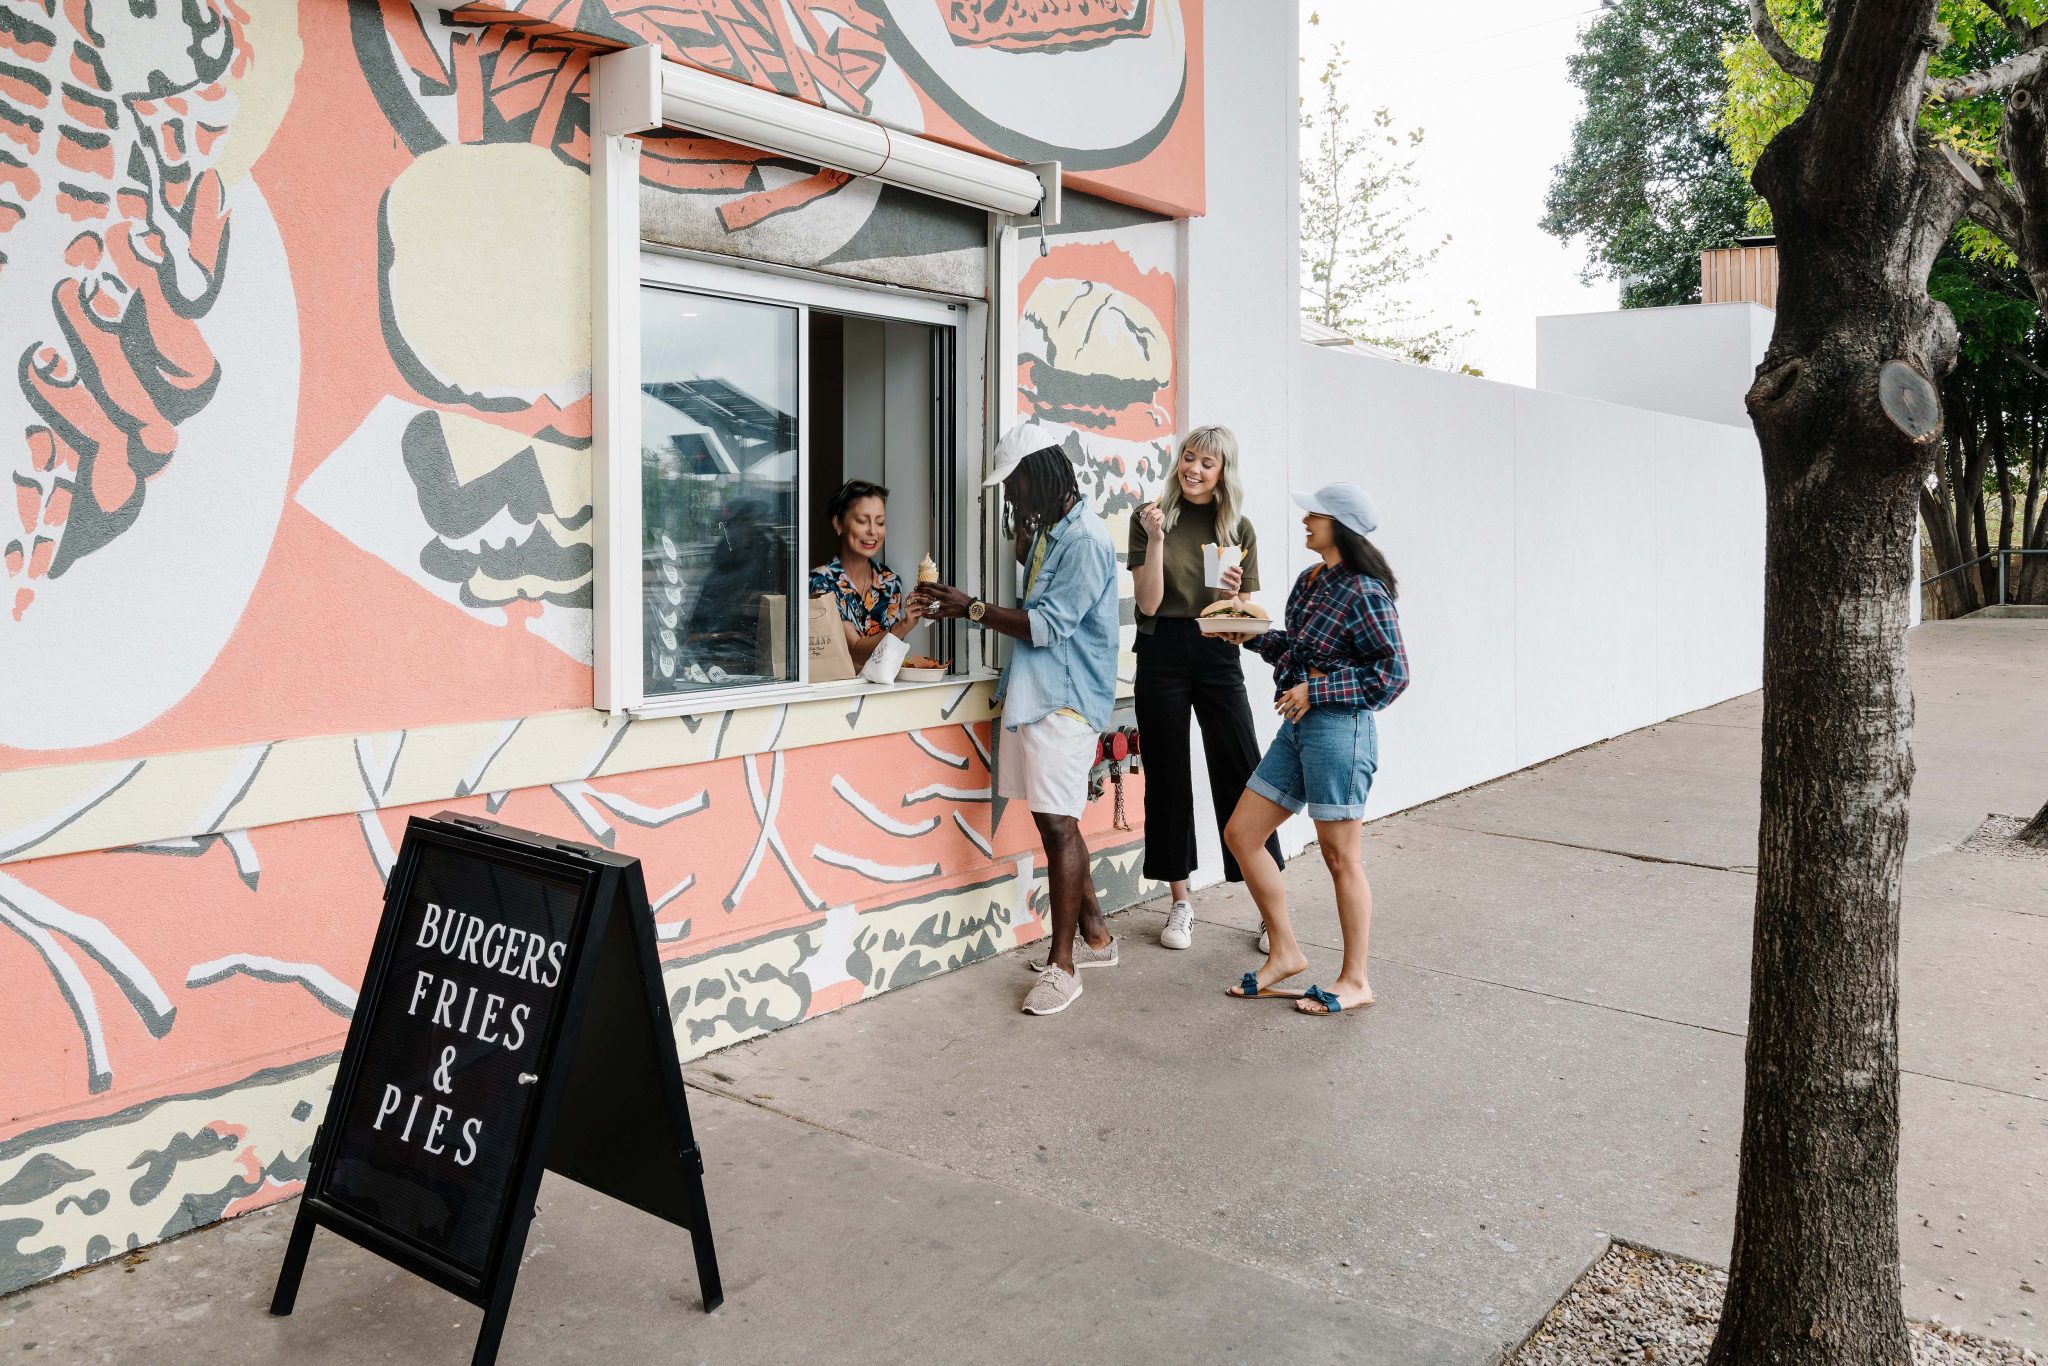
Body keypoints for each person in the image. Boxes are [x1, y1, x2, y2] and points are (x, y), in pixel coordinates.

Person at [913, 422, 1120, 1017]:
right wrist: (1023, 540)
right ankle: (1097, 937)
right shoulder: (1054, 533)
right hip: (1037, 695)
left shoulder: (1085, 541)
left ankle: (1063, 966)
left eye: (1014, 483)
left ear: (1039, 473)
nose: (1010, 494)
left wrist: (971, 607)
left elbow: (1048, 626)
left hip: (1065, 702)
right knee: (1058, 822)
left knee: (1058, 826)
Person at [1219, 482, 1408, 1017]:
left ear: (1339, 526)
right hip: (1299, 727)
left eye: (1315, 515)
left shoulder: (1366, 592)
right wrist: (1246, 630)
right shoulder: (1310, 581)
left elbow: (1392, 674)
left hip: (1340, 730)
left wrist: (1316, 691)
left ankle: (1356, 980)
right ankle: (1284, 952)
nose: (1305, 520)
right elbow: (1296, 651)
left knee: (1340, 857)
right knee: (1242, 834)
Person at [1128, 424, 1285, 951]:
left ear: (1223, 472)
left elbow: (1238, 619)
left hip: (1217, 650)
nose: (1193, 469)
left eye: (1207, 463)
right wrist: (1155, 540)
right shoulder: (1151, 517)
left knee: (1241, 768)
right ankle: (1180, 902)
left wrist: (1232, 595)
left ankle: (1268, 906)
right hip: (1161, 651)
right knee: (1168, 774)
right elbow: (1148, 604)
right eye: (1189, 457)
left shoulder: (1237, 528)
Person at [809, 479, 926, 671]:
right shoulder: (821, 581)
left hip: (882, 686)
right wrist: (906, 623)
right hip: (838, 688)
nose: (873, 531)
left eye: (880, 522)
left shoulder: (890, 580)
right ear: (838, 524)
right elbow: (855, 651)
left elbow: (888, 654)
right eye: (862, 521)